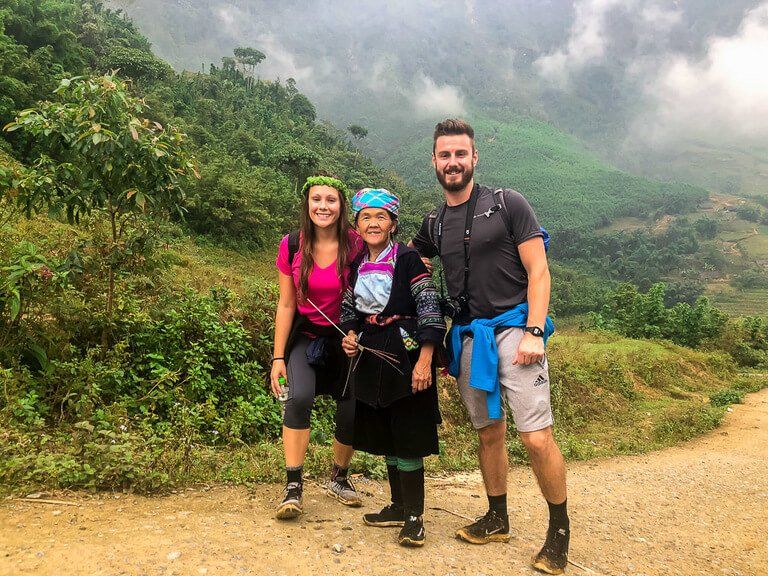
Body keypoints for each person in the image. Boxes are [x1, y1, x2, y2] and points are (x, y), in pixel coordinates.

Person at [410, 119, 570, 574]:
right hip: (466, 338)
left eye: (461, 154)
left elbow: (538, 271)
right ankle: (497, 515)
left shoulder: (507, 204)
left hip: (515, 333)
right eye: (445, 155)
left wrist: (535, 332)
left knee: (536, 436)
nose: (453, 162)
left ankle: (558, 529)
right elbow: (409, 260)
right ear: (435, 162)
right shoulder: (434, 222)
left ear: (474, 157)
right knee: (489, 432)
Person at [339, 188, 446, 547]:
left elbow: (429, 306)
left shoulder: (409, 260)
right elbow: (349, 310)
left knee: (408, 432)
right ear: (357, 225)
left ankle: (415, 517)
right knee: (386, 429)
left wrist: (426, 361)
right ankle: (398, 506)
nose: (373, 223)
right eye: (366, 217)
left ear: (393, 224)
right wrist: (351, 334)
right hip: (372, 353)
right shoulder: (356, 264)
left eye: (380, 217)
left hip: (407, 351)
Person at [271, 174, 363, 520]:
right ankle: (293, 485)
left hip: (348, 339)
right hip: (307, 336)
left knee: (352, 406)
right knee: (298, 398)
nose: (323, 206)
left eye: (331, 200)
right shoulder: (292, 245)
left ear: (342, 207)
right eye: (316, 199)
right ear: (306, 204)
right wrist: (278, 357)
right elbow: (286, 304)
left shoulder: (355, 243)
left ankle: (339, 476)